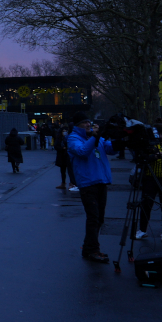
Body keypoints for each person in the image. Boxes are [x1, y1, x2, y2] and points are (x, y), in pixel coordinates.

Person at [68, 112, 114, 263]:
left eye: (89, 121)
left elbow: (111, 149)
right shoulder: (73, 138)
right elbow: (82, 152)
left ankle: (88, 248)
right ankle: (93, 250)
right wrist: (94, 137)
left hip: (100, 181)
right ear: (77, 126)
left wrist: (121, 139)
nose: (88, 124)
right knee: (93, 217)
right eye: (84, 123)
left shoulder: (96, 137)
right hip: (88, 183)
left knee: (99, 218)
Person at [53, 122, 76, 191]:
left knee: (70, 171)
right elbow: (56, 146)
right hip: (62, 156)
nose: (65, 132)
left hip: (66, 156)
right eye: (63, 131)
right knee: (63, 171)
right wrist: (62, 148)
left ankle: (71, 183)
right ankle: (64, 183)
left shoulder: (68, 138)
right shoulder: (60, 139)